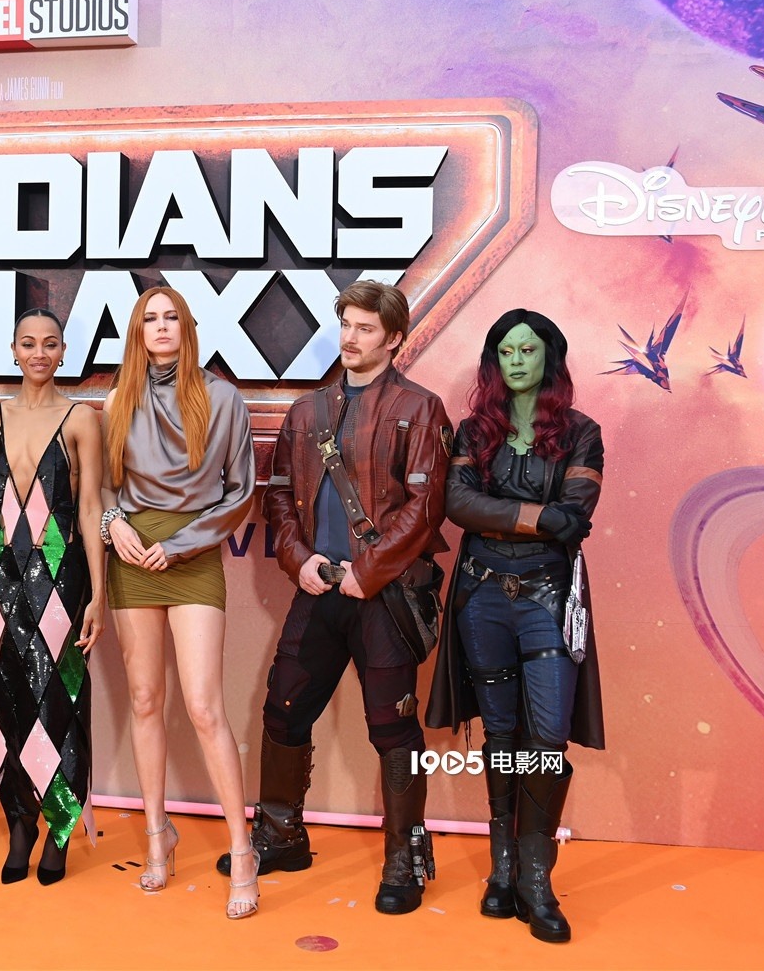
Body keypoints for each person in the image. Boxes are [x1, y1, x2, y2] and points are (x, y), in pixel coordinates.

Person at [245, 280, 451, 915]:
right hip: (319, 589)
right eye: (347, 326)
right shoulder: (307, 412)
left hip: (382, 597)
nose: (351, 338)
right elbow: (279, 494)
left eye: (366, 328)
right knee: (283, 711)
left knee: (393, 728)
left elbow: (426, 507)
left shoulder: (421, 409)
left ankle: (404, 861)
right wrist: (297, 558)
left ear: (394, 338)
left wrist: (371, 570)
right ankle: (281, 837)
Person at [425, 309, 604, 944]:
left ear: (549, 356)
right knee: (500, 733)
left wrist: (506, 514)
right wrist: (537, 517)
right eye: (507, 351)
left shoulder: (582, 432)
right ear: (494, 361)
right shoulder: (474, 431)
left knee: (547, 739)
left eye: (528, 350)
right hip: (481, 595)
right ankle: (503, 871)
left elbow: (575, 513)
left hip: (548, 597)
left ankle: (536, 879)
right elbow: (457, 504)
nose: (518, 360)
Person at [100, 286, 258, 919]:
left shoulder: (222, 398)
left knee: (202, 705)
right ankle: (156, 835)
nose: (161, 327)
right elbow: (103, 487)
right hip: (132, 556)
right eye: (150, 319)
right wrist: (115, 523)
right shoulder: (119, 398)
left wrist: (183, 544)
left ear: (188, 328)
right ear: (137, 332)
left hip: (191, 556)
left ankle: (242, 849)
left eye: (171, 318)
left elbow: (239, 492)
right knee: (144, 700)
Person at [0, 309, 106, 886]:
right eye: (28, 343)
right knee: (6, 698)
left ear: (63, 353)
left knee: (59, 701)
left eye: (49, 344)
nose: (39, 353)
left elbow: (90, 508)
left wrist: (98, 593)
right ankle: (19, 824)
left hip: (62, 578)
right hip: (2, 578)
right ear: (13, 351)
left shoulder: (81, 419)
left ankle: (59, 827)